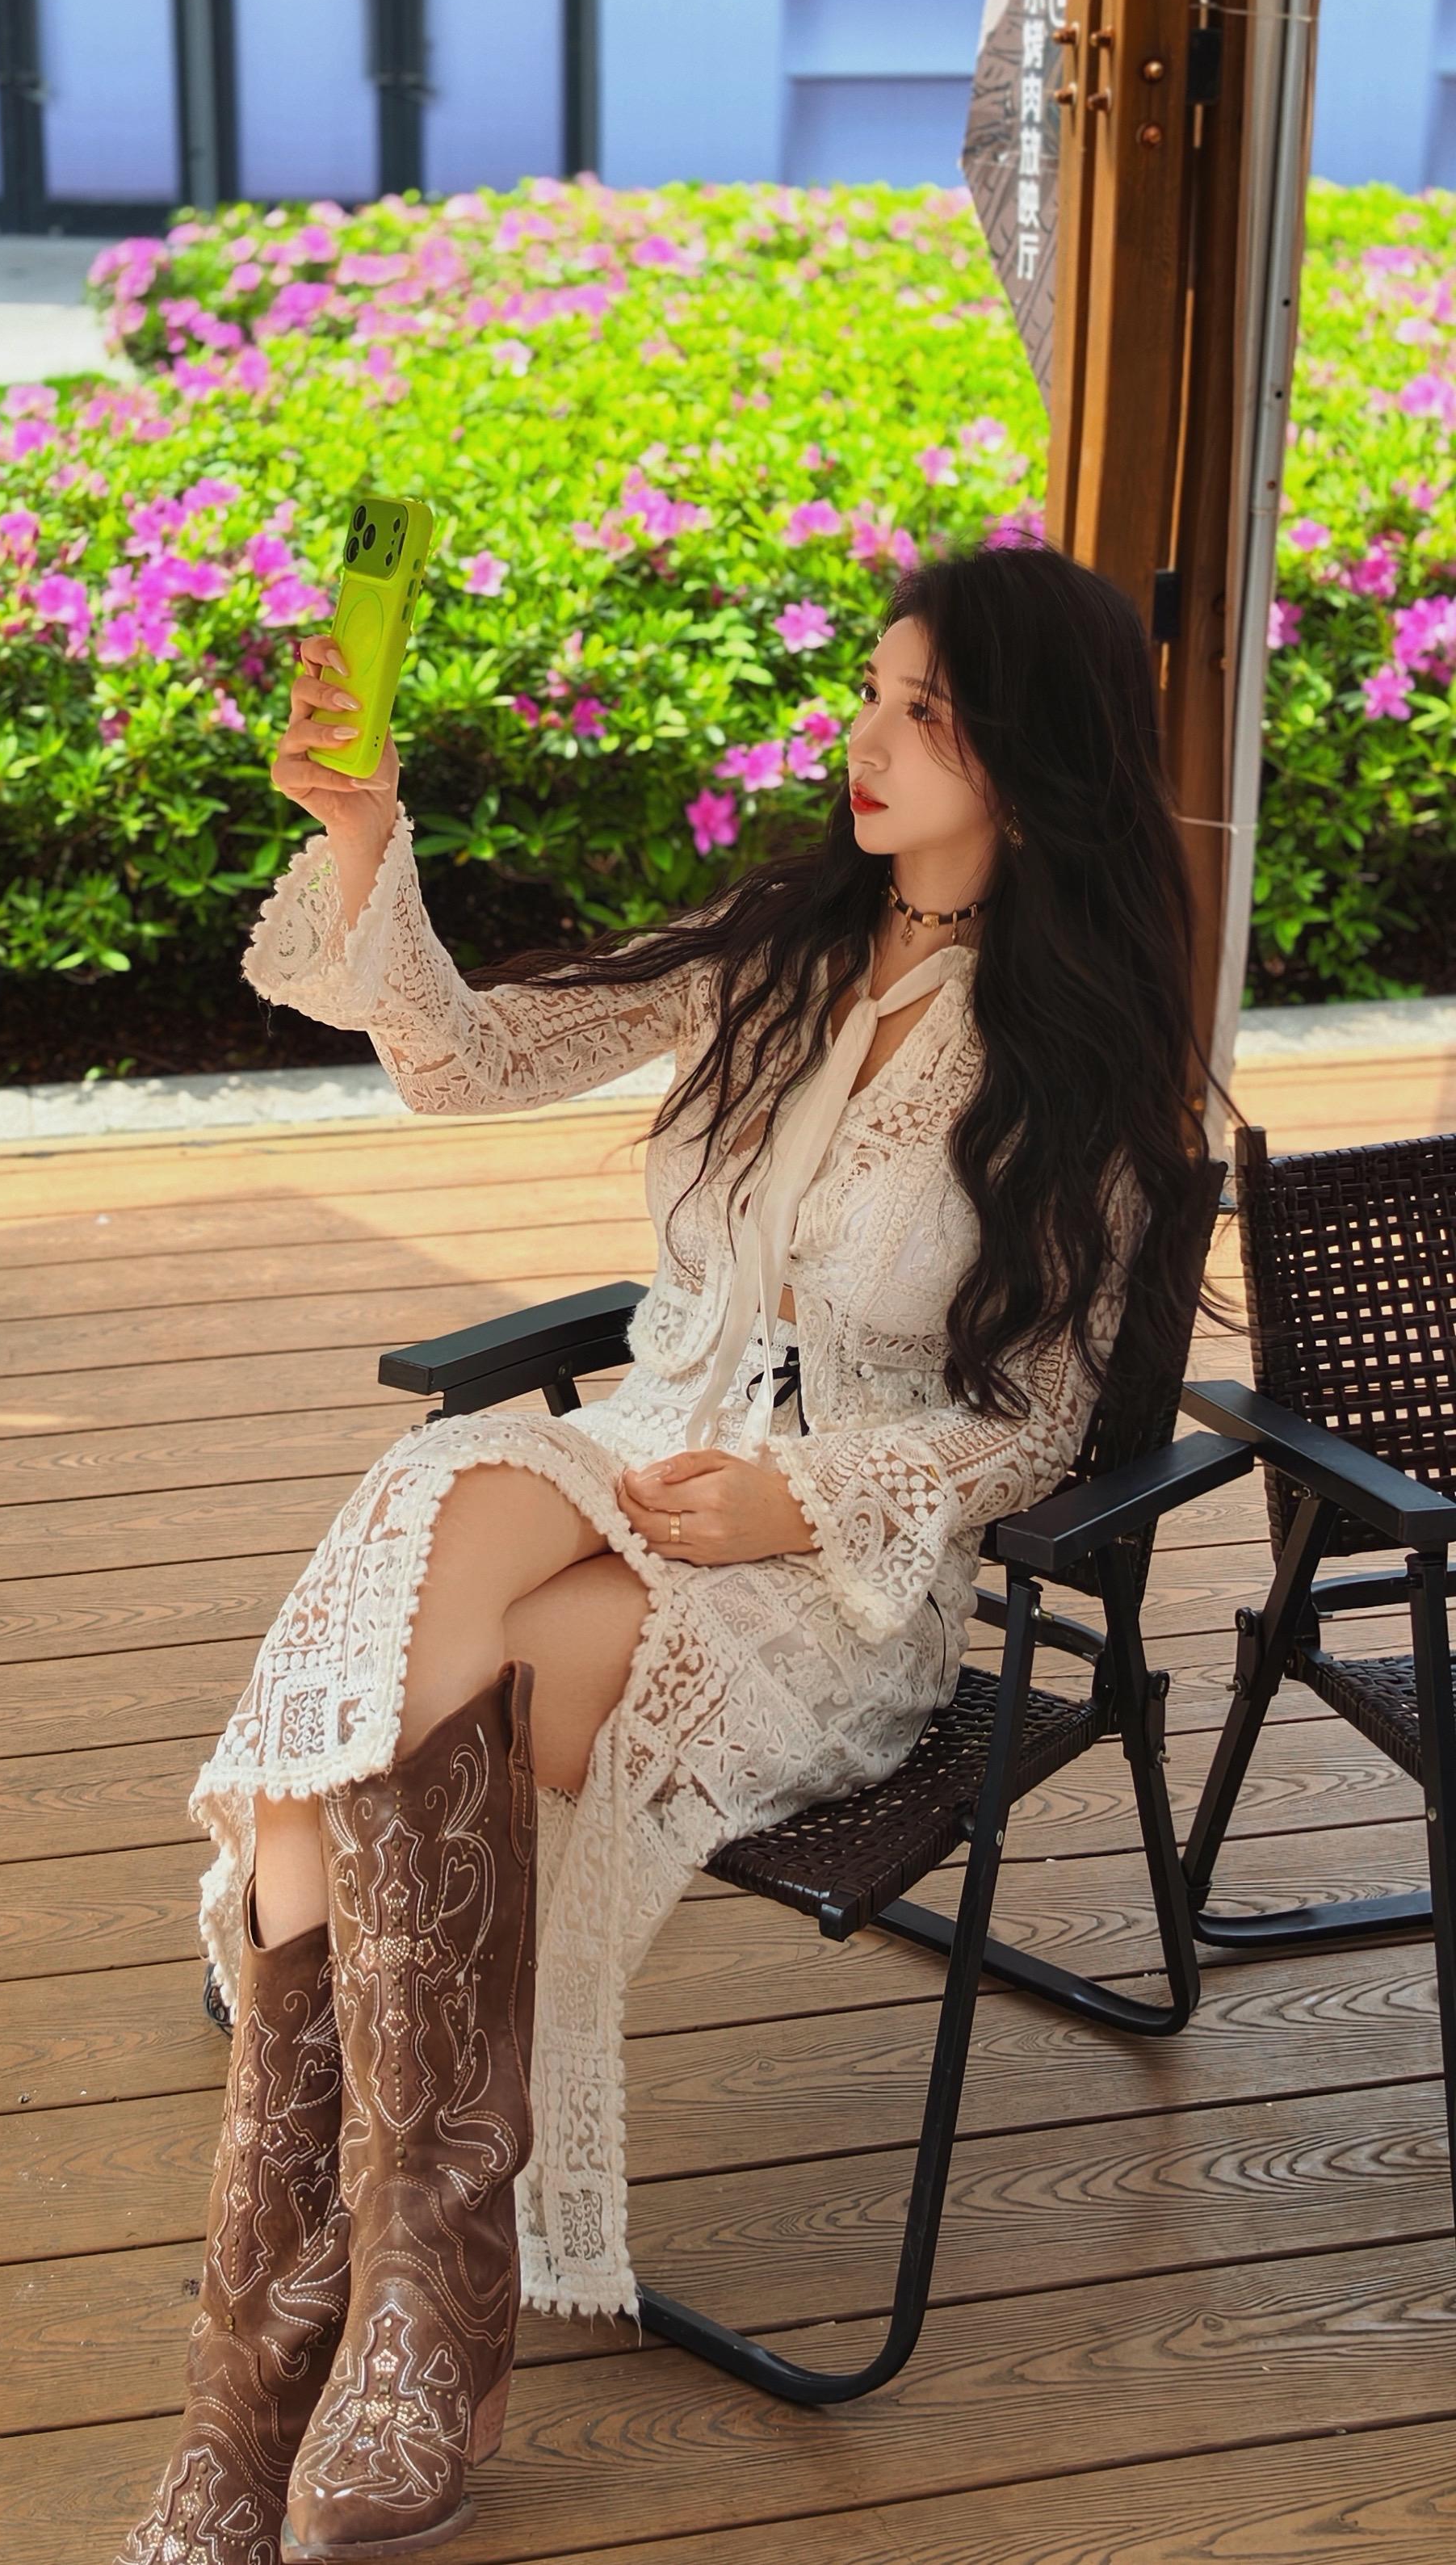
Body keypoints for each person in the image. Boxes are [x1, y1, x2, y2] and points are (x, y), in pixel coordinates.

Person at [120, 541, 1225, 2565]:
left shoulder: (1078, 1060)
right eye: (870, 692)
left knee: (344, 1742)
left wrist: (815, 1496)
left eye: (923, 713)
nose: (867, 741)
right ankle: (387, 2322)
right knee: (424, 1517)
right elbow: (464, 1058)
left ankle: (276, 2361)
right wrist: (365, 835)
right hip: (641, 1440)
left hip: (831, 1579)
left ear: (1030, 756)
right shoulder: (781, 943)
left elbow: (1041, 1427)